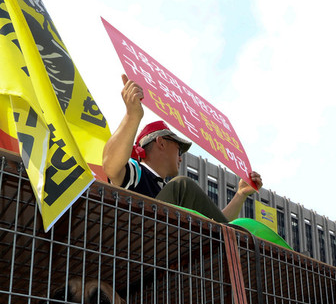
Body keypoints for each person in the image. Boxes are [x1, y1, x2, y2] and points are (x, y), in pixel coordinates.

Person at [101, 74, 262, 224]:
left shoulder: (166, 190)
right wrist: (133, 115)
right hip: (136, 239)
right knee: (182, 185)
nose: (180, 158)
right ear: (161, 143)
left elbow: (215, 223)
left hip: (163, 244)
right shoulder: (137, 172)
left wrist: (240, 194)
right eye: (179, 150)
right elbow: (110, 166)